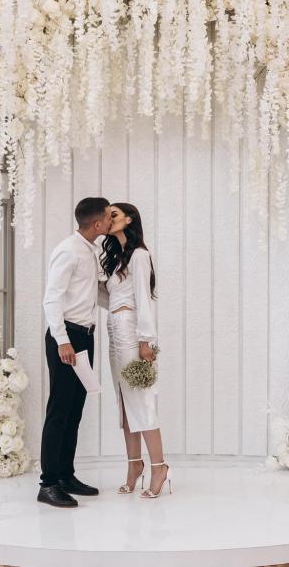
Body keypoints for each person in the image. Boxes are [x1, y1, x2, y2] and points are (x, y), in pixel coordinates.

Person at [38, 197, 112, 508]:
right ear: (97, 223)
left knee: (74, 410)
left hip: (84, 336)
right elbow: (51, 299)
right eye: (108, 217)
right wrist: (62, 340)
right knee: (59, 410)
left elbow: (92, 294)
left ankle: (66, 475)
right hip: (67, 338)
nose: (111, 220)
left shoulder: (90, 250)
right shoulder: (68, 250)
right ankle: (48, 484)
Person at [101, 202, 172, 498]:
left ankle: (159, 467)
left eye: (114, 214)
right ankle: (134, 465)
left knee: (141, 401)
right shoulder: (117, 259)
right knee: (124, 403)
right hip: (114, 331)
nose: (108, 219)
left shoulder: (140, 255)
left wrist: (146, 340)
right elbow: (111, 300)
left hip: (132, 333)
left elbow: (143, 298)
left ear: (129, 220)